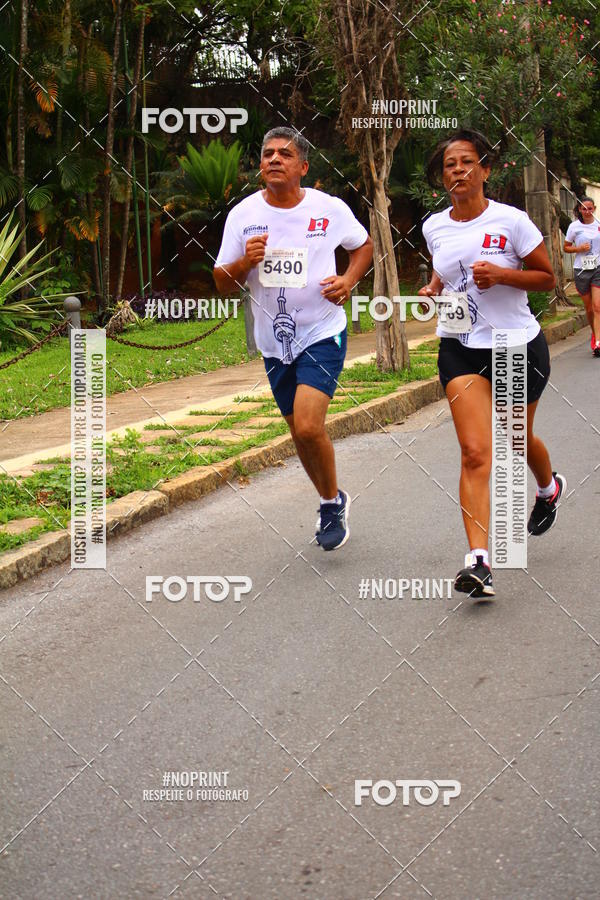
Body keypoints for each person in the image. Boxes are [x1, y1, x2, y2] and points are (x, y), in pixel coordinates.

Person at [419, 128, 566, 598]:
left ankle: (548, 487)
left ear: (485, 170)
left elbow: (547, 278)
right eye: (450, 165)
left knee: (517, 438)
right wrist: (433, 290)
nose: (458, 171)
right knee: (475, 452)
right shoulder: (434, 226)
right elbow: (445, 270)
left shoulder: (512, 221)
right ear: (442, 177)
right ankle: (478, 562)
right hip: (460, 345)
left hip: (514, 344)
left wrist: (503, 275)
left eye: (467, 162)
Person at [214, 127, 373, 550]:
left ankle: (330, 503)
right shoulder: (243, 216)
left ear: (302, 166)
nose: (274, 159)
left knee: (307, 424)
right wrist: (244, 263)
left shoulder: (328, 208)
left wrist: (348, 280)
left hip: (322, 331)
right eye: (267, 154)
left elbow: (363, 246)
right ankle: (330, 499)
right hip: (274, 341)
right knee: (299, 433)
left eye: (284, 154)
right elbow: (221, 283)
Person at [564, 197, 600, 356]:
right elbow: (566, 248)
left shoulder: (598, 224)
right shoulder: (574, 227)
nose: (587, 212)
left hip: (598, 268)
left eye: (590, 208)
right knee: (589, 309)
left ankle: (598, 342)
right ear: (579, 209)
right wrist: (578, 248)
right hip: (581, 270)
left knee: (597, 306)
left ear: (595, 208)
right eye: (584, 209)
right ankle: (595, 333)